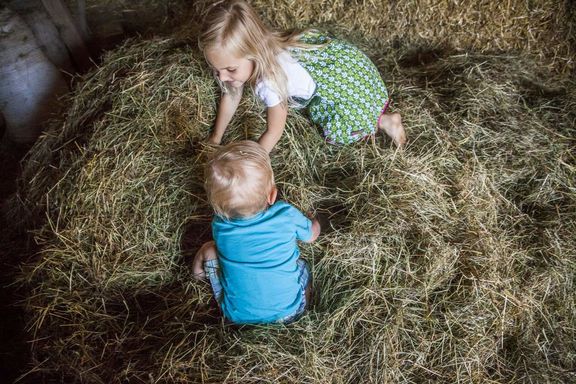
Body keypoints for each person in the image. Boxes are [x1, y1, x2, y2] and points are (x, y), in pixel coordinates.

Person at [198, 0, 406, 153]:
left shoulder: (270, 82)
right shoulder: (262, 44)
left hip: (347, 89)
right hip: (347, 64)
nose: (222, 77)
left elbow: (273, 132)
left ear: (253, 52)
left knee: (338, 131)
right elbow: (232, 95)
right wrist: (215, 138)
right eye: (217, 69)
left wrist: (254, 162)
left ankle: (385, 121)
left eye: (230, 70)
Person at [193, 140, 321, 324]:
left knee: (210, 249)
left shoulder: (219, 225)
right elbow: (312, 236)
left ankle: (197, 276)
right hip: (288, 312)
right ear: (272, 195)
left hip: (236, 315)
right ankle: (306, 301)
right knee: (302, 266)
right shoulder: (286, 215)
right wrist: (316, 222)